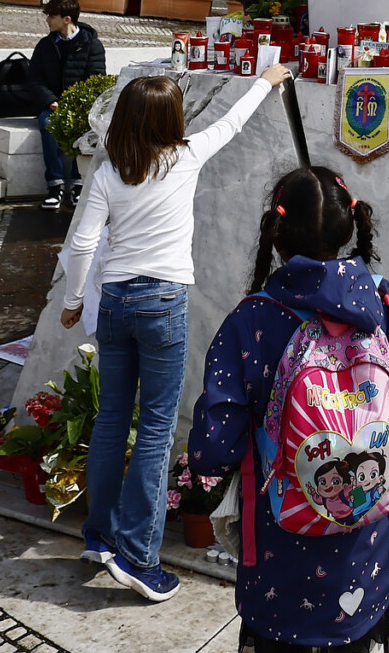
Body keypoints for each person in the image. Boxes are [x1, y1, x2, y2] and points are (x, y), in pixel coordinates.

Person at [189, 161, 389, 653]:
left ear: (277, 234)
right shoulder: (382, 299)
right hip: (365, 553)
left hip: (282, 554)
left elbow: (211, 450)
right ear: (350, 228)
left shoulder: (253, 319)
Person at [56, 64, 285, 602]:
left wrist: (72, 302)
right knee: (157, 429)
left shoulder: (110, 170)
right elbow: (231, 123)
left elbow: (85, 243)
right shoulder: (185, 157)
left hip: (114, 301)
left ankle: (99, 536)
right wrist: (266, 79)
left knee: (113, 417)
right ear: (171, 120)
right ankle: (139, 558)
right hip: (163, 303)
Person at [26, 0, 108, 210]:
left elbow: (96, 79)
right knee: (47, 124)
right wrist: (51, 101)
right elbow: (34, 79)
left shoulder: (92, 45)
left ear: (67, 19)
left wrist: (74, 106)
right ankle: (55, 185)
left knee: (84, 128)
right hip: (52, 105)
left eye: (51, 16)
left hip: (81, 108)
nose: (47, 20)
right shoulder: (45, 45)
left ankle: (79, 183)